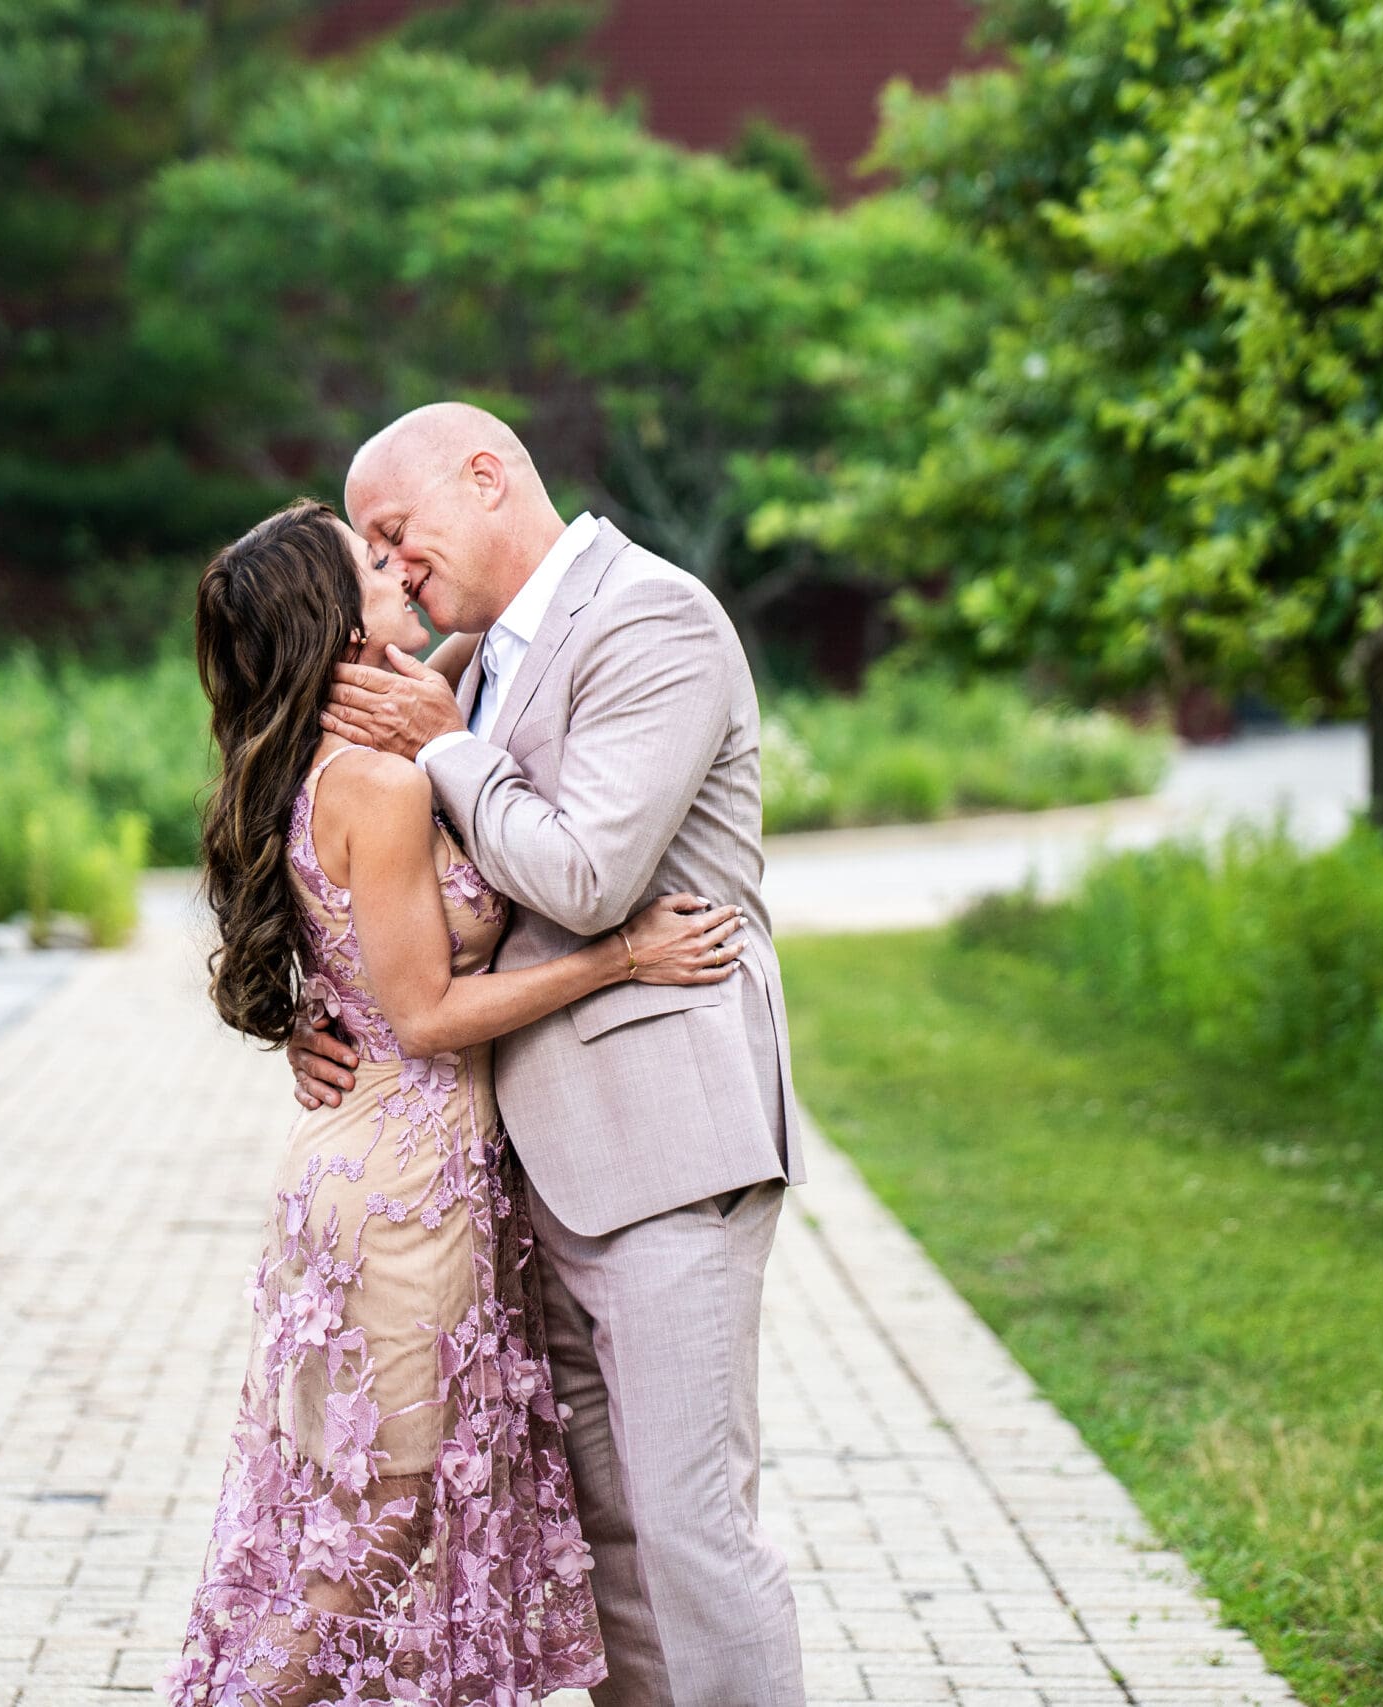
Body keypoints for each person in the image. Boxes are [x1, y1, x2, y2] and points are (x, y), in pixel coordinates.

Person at [165, 497, 747, 1705]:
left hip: (393, 1158)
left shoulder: (409, 716)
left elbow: (508, 622)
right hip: (401, 1188)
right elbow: (424, 1015)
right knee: (383, 1517)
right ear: (335, 621)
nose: (397, 566)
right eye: (371, 563)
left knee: (366, 1508)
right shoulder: (376, 781)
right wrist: (619, 957)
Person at [295, 403, 810, 1706]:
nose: (393, 568)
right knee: (614, 1541)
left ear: (487, 476)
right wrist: (314, 1005)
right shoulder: (473, 659)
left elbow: (586, 873)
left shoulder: (655, 617)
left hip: (667, 1150)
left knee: (692, 1532)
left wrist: (445, 745)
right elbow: (409, 885)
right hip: (531, 1167)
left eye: (397, 534)